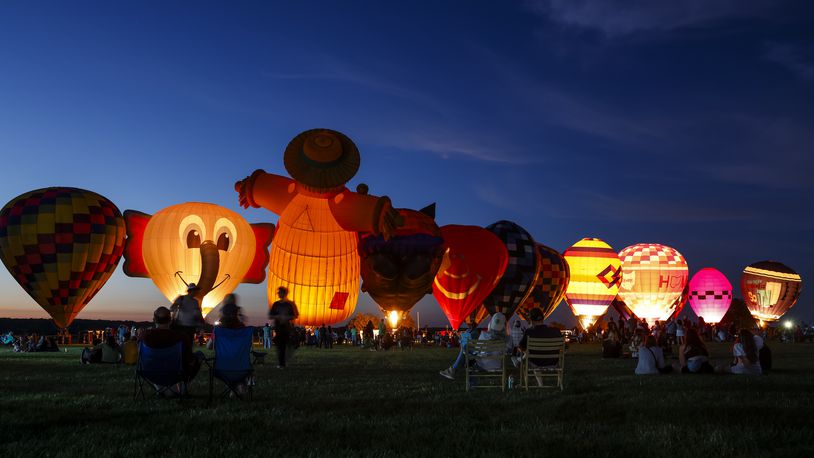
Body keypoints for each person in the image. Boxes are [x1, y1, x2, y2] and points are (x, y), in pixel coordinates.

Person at [141, 306, 204, 383]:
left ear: (154, 320)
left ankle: (159, 389)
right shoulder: (181, 336)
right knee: (200, 355)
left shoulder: (145, 336)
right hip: (176, 374)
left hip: (149, 373)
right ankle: (184, 385)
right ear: (170, 320)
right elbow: (189, 359)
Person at [269, 286, 299, 368]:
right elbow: (271, 315)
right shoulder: (276, 304)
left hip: (286, 327)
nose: (278, 294)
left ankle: (282, 362)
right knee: (280, 345)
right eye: (278, 292)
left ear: (284, 293)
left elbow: (294, 315)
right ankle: (281, 363)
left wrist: (286, 317)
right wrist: (278, 316)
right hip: (278, 327)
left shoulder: (289, 305)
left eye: (279, 292)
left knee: (284, 345)